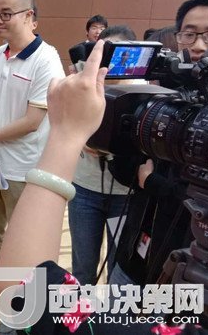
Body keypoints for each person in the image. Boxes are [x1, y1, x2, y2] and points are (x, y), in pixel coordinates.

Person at [0, 40, 208, 335]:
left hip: (167, 264)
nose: (199, 45)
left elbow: (20, 295)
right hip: (136, 245)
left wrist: (66, 135)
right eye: (190, 34)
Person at [0, 0, 65, 334]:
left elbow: (32, 121)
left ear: (29, 16)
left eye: (6, 14)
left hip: (25, 169)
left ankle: (21, 305)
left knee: (24, 244)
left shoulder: (47, 60)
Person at [110, 0, 208, 289]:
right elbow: (124, 170)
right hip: (134, 252)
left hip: (190, 272)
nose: (199, 45)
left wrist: (155, 183)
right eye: (189, 34)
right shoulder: (165, 94)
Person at [67, 25, 136, 287]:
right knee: (83, 269)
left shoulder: (143, 92)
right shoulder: (84, 85)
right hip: (84, 189)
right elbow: (64, 125)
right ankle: (80, 312)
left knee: (119, 271)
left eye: (118, 54)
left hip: (126, 194)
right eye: (104, 53)